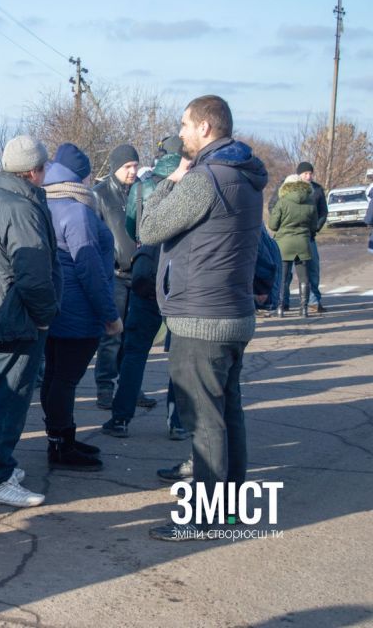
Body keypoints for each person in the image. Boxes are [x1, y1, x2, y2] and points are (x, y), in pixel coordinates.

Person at [141, 95, 267, 541]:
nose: (181, 135)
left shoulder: (205, 179)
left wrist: (171, 180)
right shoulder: (246, 176)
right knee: (228, 413)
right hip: (233, 312)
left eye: (185, 126)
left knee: (204, 419)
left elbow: (149, 228)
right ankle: (231, 509)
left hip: (201, 316)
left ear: (206, 129)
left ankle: (206, 519)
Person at [0, 135, 61, 508]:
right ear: (34, 172)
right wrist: (44, 317)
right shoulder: (21, 209)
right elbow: (34, 275)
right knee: (8, 399)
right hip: (14, 318)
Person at [40, 144, 119, 471]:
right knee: (65, 380)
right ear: (83, 175)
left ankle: (62, 440)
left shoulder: (48, 200)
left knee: (56, 376)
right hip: (78, 309)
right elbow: (89, 267)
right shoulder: (76, 210)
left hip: (57, 305)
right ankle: (61, 446)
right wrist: (110, 315)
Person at [102, 148, 183, 438]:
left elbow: (133, 227)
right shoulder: (196, 186)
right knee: (179, 356)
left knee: (134, 352)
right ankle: (177, 423)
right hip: (180, 276)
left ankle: (121, 418)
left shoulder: (143, 187)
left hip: (147, 272)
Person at [93, 144, 156, 411]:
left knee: (134, 335)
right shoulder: (101, 195)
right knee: (112, 334)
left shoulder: (143, 190)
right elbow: (95, 234)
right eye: (126, 166)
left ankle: (131, 386)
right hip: (114, 274)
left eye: (134, 166)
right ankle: (105, 386)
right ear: (115, 167)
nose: (131, 171)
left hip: (139, 272)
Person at [268, 162, 327, 313]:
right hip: (304, 239)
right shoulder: (301, 197)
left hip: (288, 241)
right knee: (304, 275)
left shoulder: (316, 190)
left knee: (287, 275)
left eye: (310, 173)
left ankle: (284, 306)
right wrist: (310, 230)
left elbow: (273, 224)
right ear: (299, 175)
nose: (308, 176)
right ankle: (302, 307)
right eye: (305, 173)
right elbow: (315, 221)